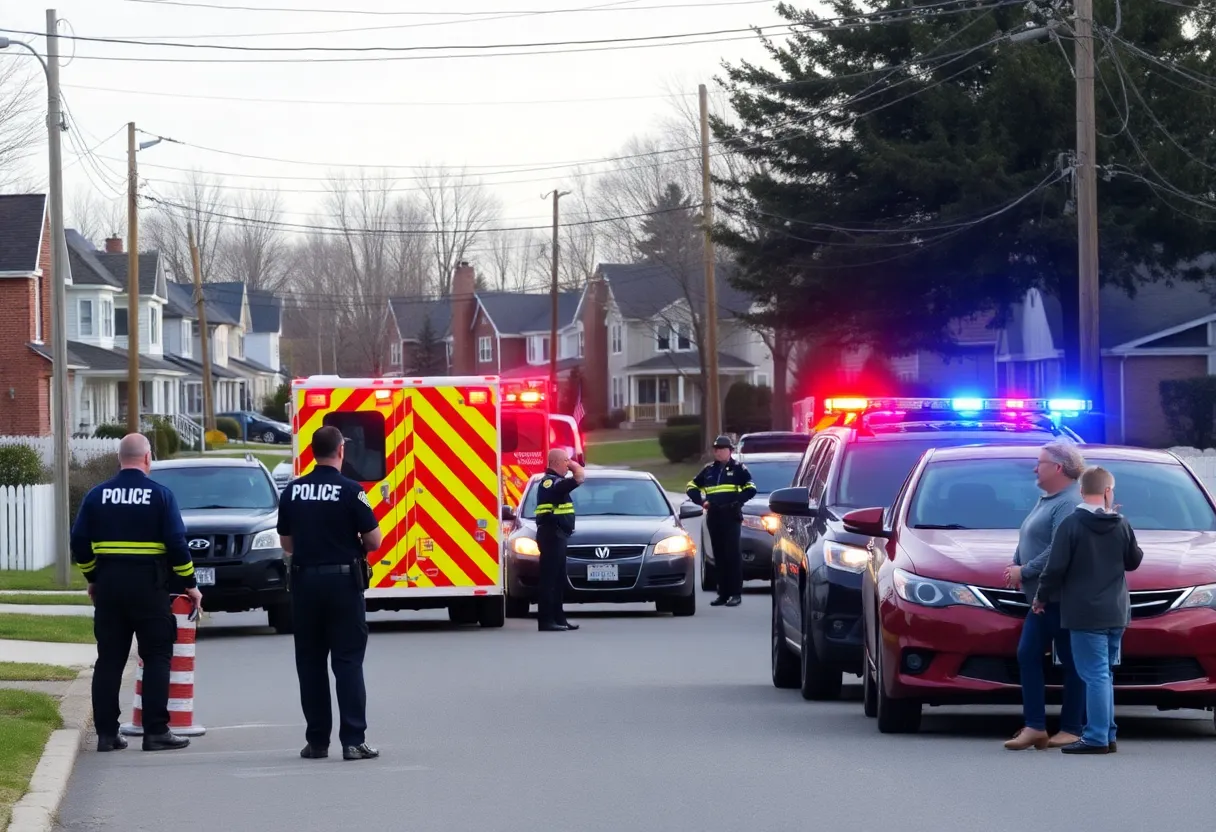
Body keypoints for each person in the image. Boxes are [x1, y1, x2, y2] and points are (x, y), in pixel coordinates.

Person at [70, 433, 201, 753]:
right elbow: (177, 546)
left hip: (110, 588)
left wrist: (93, 577)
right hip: (149, 588)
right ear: (147, 458)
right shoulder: (160, 496)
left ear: (119, 459)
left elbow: (78, 543)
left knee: (110, 660)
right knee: (157, 656)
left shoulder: (97, 495)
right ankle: (156, 732)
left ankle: (106, 734)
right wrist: (190, 584)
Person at [277, 426, 383, 761]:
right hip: (343, 585)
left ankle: (317, 742)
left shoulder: (292, 492)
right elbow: (374, 541)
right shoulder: (352, 491)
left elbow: (287, 544)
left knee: (310, 664)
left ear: (311, 452)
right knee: (348, 662)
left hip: (305, 585)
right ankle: (353, 741)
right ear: (341, 451)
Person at [1033, 466, 1143, 755]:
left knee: (1094, 675)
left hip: (1084, 613)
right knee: (1104, 673)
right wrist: (1120, 520)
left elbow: (1054, 568)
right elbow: (1134, 561)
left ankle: (1095, 736)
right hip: (1116, 612)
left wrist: (1040, 597)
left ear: (1082, 491)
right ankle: (1107, 733)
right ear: (1108, 492)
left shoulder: (1071, 525)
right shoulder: (1121, 523)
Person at [1002, 441, 1086, 751]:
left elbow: (1059, 549)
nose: (1035, 468)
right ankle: (1036, 726)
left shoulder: (1068, 502)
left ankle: (1071, 727)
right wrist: (1015, 562)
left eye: (1040, 463)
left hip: (1058, 597)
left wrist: (1024, 571)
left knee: (1071, 662)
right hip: (1041, 598)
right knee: (1030, 655)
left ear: (1059, 467)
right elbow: (1029, 537)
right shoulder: (1047, 499)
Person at [686, 435, 756, 608]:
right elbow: (691, 487)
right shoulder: (709, 470)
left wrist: (737, 501)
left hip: (730, 516)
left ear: (730, 451)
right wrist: (702, 501)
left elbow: (751, 488)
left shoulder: (738, 469)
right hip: (714, 515)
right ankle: (723, 593)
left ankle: (735, 594)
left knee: (732, 555)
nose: (718, 452)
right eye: (716, 449)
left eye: (722, 449)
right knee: (719, 555)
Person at [534, 448, 585, 632]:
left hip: (558, 535)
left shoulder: (557, 482)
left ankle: (559, 619)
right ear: (556, 462)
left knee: (558, 580)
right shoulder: (550, 482)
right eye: (565, 461)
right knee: (549, 580)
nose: (568, 465)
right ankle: (546, 621)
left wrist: (569, 462)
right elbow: (579, 477)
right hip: (551, 535)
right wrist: (575, 465)